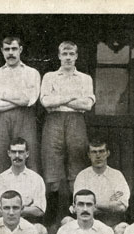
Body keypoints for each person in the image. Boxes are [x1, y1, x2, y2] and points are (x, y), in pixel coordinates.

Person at [40, 41, 95, 194]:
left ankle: (75, 206)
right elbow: (46, 101)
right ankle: (53, 210)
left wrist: (59, 99)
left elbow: (87, 105)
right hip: (54, 121)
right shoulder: (49, 77)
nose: (68, 58)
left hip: (76, 121)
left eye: (71, 54)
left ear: (76, 56)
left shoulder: (85, 78)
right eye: (65, 54)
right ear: (59, 56)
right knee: (52, 161)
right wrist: (73, 97)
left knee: (77, 161)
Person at [0, 36, 41, 176]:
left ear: (20, 50)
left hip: (25, 120)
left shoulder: (32, 73)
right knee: (2, 158)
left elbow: (29, 100)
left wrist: (3, 96)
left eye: (14, 49)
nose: (11, 53)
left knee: (29, 158)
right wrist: (17, 99)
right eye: (7, 49)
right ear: (2, 51)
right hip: (1, 122)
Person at [0, 137, 47, 234]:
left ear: (27, 154)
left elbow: (40, 210)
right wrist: (24, 208)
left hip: (29, 223)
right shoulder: (1, 179)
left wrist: (10, 209)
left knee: (41, 230)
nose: (17, 156)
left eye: (20, 152)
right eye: (14, 152)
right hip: (5, 225)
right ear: (9, 154)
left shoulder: (36, 179)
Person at [70, 140, 130, 234]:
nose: (98, 156)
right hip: (88, 225)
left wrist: (93, 204)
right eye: (94, 152)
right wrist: (109, 204)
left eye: (101, 151)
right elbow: (80, 207)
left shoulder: (117, 176)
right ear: (89, 155)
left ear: (108, 153)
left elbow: (121, 206)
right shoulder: (82, 176)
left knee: (123, 229)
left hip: (112, 225)